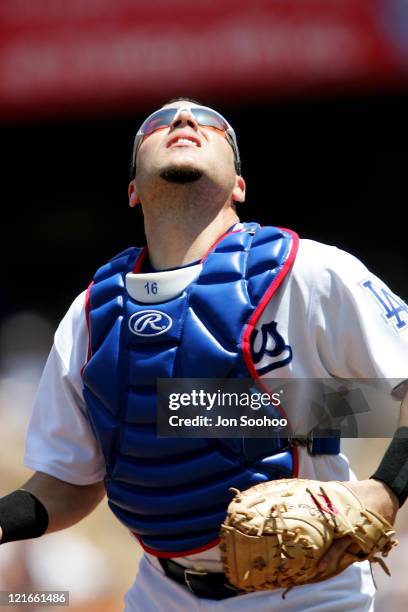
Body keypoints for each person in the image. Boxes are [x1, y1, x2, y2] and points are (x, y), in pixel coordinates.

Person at [1, 97, 408, 612]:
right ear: (132, 190)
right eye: (157, 123)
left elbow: (383, 398)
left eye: (212, 123)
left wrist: (385, 490)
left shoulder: (308, 272)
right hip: (160, 593)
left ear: (239, 184)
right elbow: (67, 479)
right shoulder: (91, 314)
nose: (185, 120)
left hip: (309, 594)